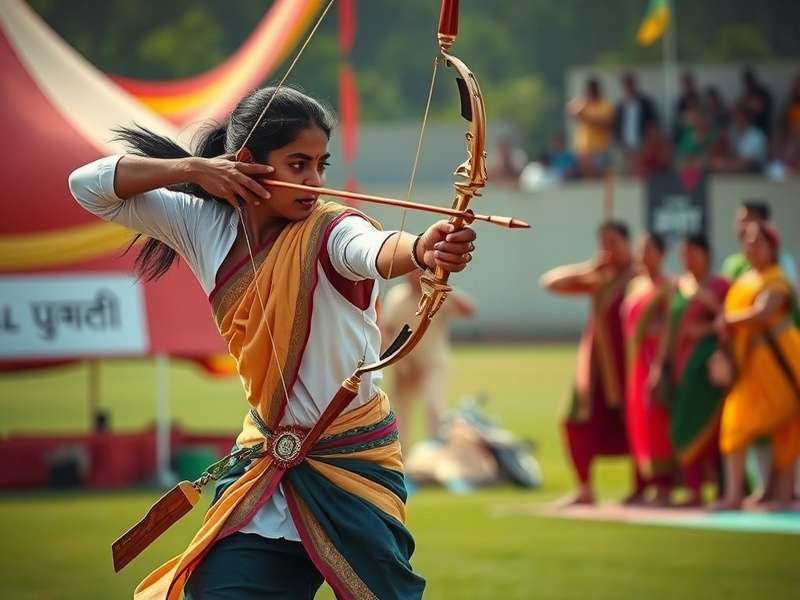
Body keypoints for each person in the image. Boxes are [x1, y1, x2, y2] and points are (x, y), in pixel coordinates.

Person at [69, 86, 478, 599]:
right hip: (265, 475)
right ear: (245, 165)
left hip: (349, 469)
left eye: (320, 166)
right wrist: (193, 170)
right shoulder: (204, 225)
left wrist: (422, 248)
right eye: (298, 164)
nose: (313, 182)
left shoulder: (332, 229)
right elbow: (86, 185)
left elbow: (374, 250)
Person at [540, 221, 635, 505]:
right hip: (596, 367)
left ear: (627, 244)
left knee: (634, 423)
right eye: (603, 243)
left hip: (628, 366)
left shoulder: (637, 278)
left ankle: (644, 487)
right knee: (574, 420)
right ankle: (585, 488)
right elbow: (550, 282)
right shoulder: (599, 278)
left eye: (614, 243)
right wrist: (591, 266)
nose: (609, 249)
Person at [712, 222, 800, 511]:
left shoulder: (777, 279)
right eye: (746, 241)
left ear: (771, 247)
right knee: (734, 426)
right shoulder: (743, 281)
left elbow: (763, 312)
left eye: (757, 242)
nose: (750, 247)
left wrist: (728, 321)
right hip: (748, 367)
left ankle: (784, 496)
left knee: (786, 426)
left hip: (781, 363)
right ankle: (734, 494)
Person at [381, 270, 476, 450]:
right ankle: (400, 460)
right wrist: (397, 360)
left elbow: (469, 310)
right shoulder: (397, 296)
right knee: (397, 415)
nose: (410, 277)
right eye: (407, 272)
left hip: (433, 364)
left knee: (434, 406)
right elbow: (387, 330)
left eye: (417, 273)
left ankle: (437, 455)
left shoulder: (438, 293)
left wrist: (445, 286)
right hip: (405, 366)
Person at [667, 235, 729, 506]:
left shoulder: (720, 285)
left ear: (707, 255)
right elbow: (672, 326)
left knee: (712, 430)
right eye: (683, 254)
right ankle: (693, 489)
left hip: (707, 367)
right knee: (684, 426)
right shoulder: (680, 286)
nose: (687, 259)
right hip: (682, 365)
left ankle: (723, 490)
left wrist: (704, 328)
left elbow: (728, 319)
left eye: (693, 253)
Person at [621, 232, 675, 506]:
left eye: (649, 250)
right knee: (638, 421)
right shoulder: (635, 285)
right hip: (634, 363)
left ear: (662, 254)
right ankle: (641, 485)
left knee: (657, 423)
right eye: (640, 250)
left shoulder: (669, 286)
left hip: (655, 360)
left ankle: (664, 487)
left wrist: (658, 367)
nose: (643, 256)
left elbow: (667, 328)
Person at [721, 200, 798, 288]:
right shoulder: (733, 263)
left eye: (747, 220)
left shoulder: (782, 261)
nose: (741, 227)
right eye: (739, 221)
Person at [567, 77, 614, 179]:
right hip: (584, 151)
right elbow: (573, 113)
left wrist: (587, 117)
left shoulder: (605, 105)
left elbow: (606, 124)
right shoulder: (583, 104)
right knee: (589, 179)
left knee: (601, 177)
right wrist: (584, 106)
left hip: (600, 149)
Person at [613, 72, 660, 173]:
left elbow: (653, 123)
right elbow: (616, 126)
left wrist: (650, 142)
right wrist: (618, 141)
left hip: (642, 144)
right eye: (626, 85)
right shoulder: (620, 105)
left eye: (630, 84)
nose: (628, 87)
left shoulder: (645, 103)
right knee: (627, 172)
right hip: (625, 145)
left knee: (641, 172)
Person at [710, 104, 768, 174]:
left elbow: (747, 163)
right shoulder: (733, 132)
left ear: (744, 118)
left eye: (737, 116)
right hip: (736, 171)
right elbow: (726, 154)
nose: (734, 119)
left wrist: (723, 165)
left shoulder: (756, 136)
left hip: (753, 174)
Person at [739, 67, 773, 139]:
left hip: (762, 129)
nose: (747, 84)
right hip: (750, 131)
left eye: (749, 81)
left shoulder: (763, 92)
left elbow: (759, 109)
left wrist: (748, 104)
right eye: (746, 82)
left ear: (753, 80)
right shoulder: (746, 94)